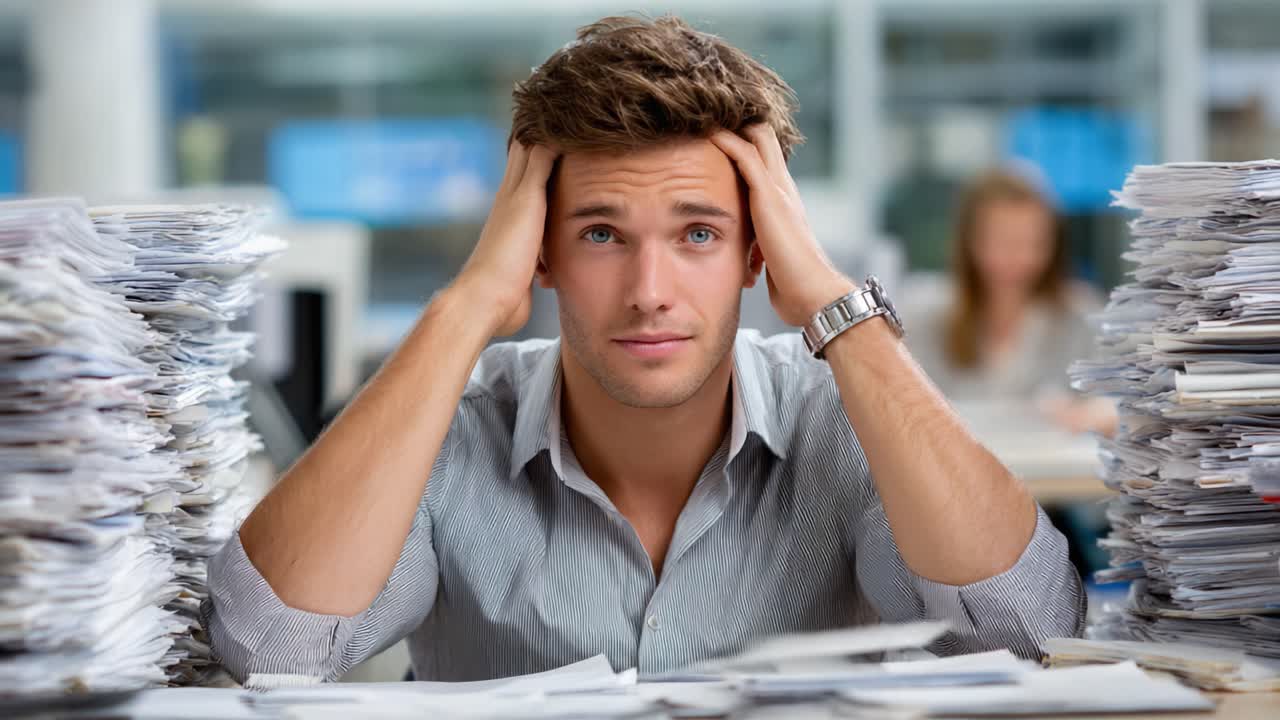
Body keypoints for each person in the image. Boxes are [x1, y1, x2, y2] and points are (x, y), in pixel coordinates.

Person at [203, 15, 1084, 683]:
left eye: (698, 233)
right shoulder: (453, 434)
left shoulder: (843, 420)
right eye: (599, 234)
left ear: (756, 252)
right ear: (538, 252)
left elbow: (1027, 633)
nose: (649, 289)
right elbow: (268, 646)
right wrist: (469, 304)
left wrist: (830, 299)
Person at [907, 168, 1116, 436]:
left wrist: (1091, 414)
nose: (1021, 257)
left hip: (1050, 472)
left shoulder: (1080, 312)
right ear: (970, 242)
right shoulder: (927, 315)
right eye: (1003, 242)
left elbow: (1119, 402)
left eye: (1034, 242)